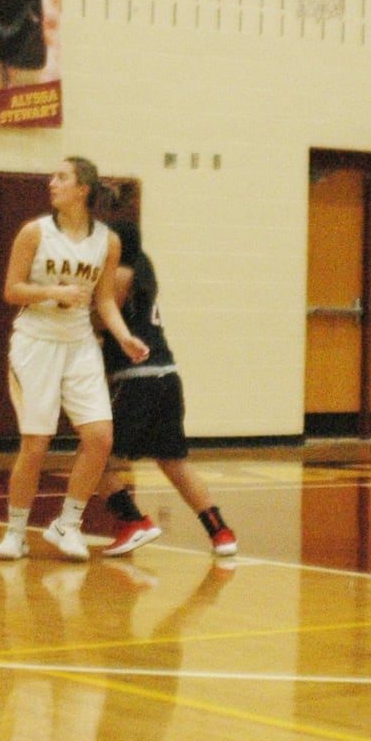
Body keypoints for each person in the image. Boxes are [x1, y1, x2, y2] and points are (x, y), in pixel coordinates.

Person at [0, 158, 149, 562]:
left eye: (61, 177)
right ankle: (15, 532)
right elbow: (12, 290)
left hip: (80, 343)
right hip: (36, 342)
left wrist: (124, 336)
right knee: (36, 443)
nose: (52, 183)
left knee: (99, 438)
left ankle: (68, 524)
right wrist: (52, 293)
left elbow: (102, 300)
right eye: (53, 177)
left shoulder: (107, 242)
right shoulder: (35, 233)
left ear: (83, 190)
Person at [93, 219, 238, 560]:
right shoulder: (144, 269)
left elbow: (100, 319)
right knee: (174, 462)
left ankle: (133, 522)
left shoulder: (120, 275)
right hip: (166, 376)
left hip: (138, 378)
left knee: (94, 459)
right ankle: (220, 530)